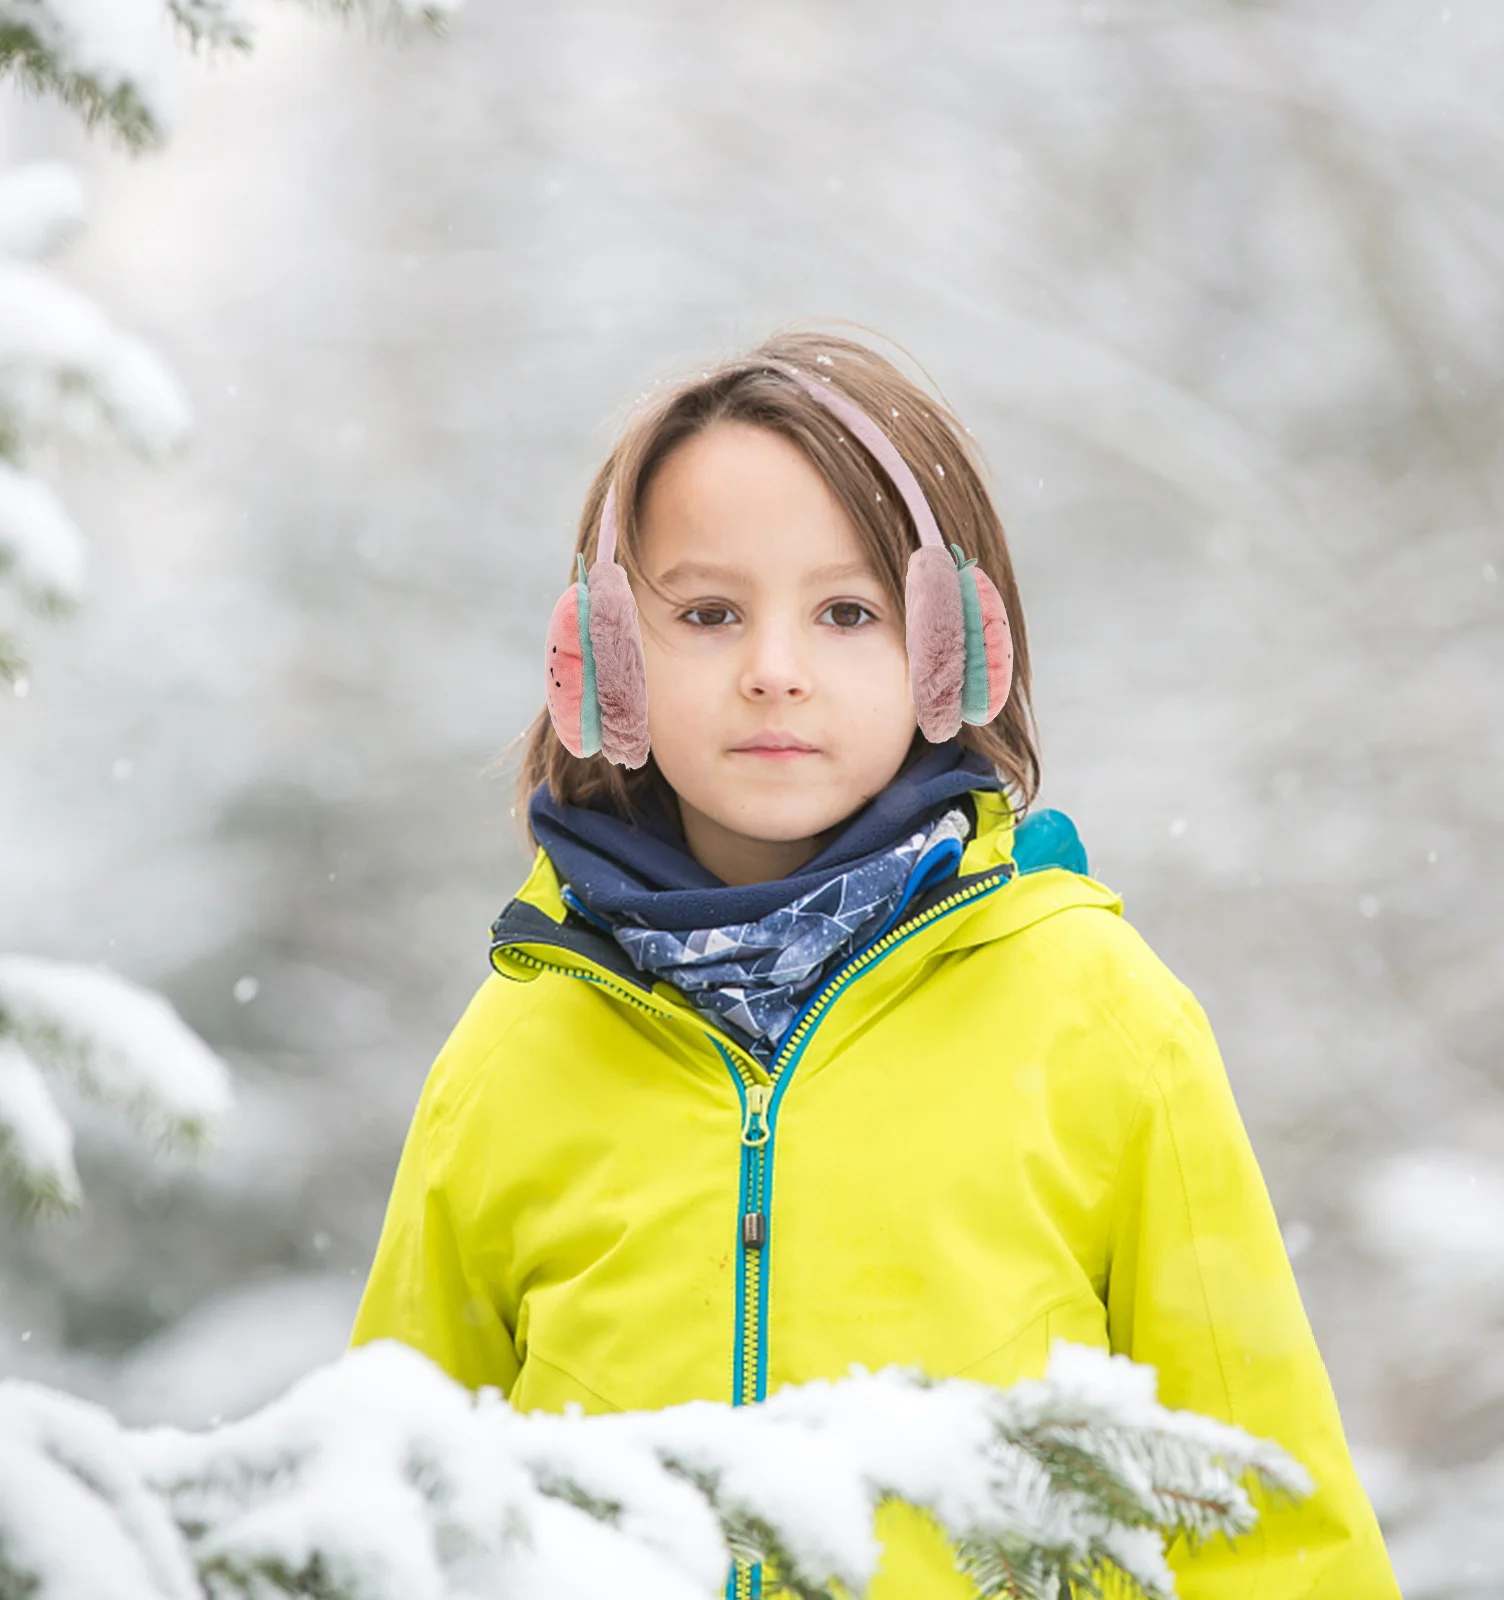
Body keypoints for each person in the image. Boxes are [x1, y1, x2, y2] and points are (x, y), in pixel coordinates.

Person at [349, 325, 1400, 1599]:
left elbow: (1268, 1511)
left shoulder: (1098, 1012)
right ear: (606, 659)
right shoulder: (516, 1048)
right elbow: (386, 1512)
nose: (774, 671)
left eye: (847, 612)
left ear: (953, 647)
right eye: (707, 612)